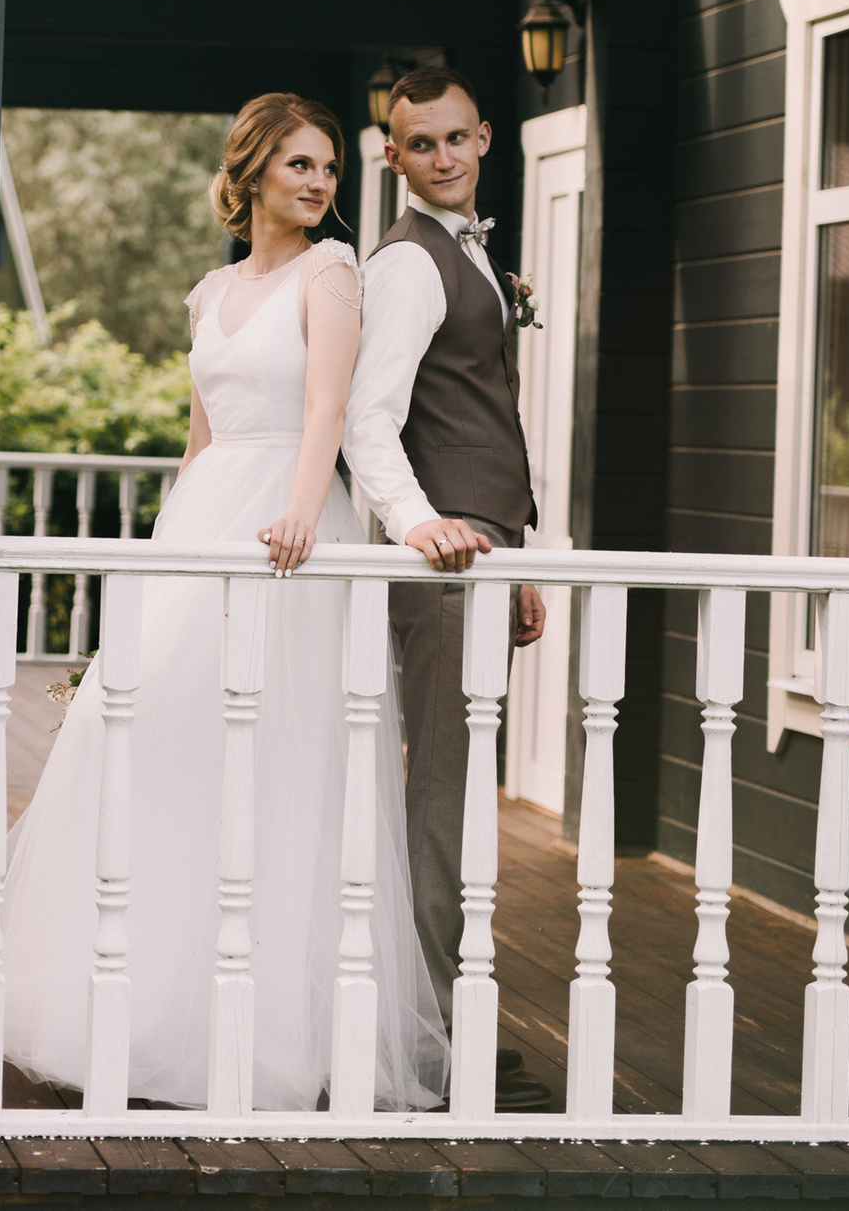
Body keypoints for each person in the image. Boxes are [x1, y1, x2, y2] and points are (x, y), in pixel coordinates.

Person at [2, 93, 447, 1112]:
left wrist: (298, 516)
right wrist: (165, 548)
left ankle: (270, 1033)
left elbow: (327, 410)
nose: (320, 183)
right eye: (299, 164)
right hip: (207, 517)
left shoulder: (329, 275)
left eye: (329, 168)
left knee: (280, 767)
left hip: (290, 526)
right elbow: (200, 438)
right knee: (163, 745)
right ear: (248, 173)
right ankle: (147, 1003)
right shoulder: (207, 294)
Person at [341, 58, 552, 1112]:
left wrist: (515, 552)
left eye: (457, 138)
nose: (442, 157)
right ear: (394, 156)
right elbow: (367, 418)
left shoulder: (467, 256)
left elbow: (483, 414)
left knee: (455, 799)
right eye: (419, 143)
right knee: (440, 799)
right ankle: (430, 1035)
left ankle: (438, 1019)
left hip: (482, 558)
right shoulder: (411, 265)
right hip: (440, 569)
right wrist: (423, 526)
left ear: (483, 140)